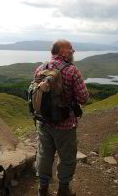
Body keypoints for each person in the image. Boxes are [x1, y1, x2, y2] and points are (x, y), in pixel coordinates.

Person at [35, 39, 89, 196]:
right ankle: (63, 188)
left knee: (44, 154)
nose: (73, 51)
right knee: (67, 157)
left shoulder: (41, 68)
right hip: (65, 124)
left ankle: (42, 188)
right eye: (70, 49)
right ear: (62, 52)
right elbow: (83, 98)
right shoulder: (72, 71)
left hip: (44, 123)